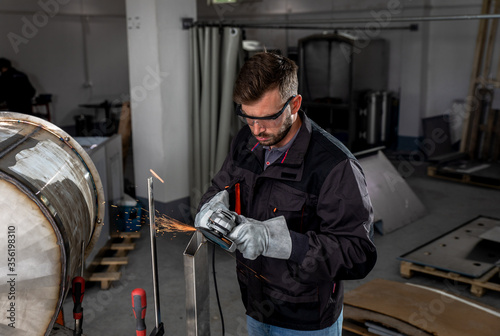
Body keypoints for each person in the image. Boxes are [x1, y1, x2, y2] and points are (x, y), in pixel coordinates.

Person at [195, 52, 377, 335]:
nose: (257, 130)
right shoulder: (246, 141)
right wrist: (210, 206)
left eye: (267, 118)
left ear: (295, 104)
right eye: (248, 117)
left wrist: (281, 242)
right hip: (255, 305)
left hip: (305, 320)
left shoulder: (335, 166)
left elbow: (358, 253)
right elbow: (220, 186)